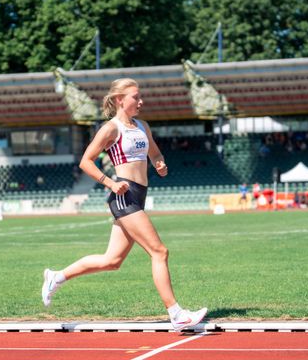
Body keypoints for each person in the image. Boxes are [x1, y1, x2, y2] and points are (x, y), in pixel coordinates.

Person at [41, 78, 207, 331]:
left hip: (138, 194)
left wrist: (159, 163)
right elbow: (86, 161)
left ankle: (57, 277)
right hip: (124, 195)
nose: (141, 101)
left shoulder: (143, 126)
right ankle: (177, 314)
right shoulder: (111, 128)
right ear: (120, 99)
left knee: (112, 260)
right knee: (159, 251)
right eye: (135, 97)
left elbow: (155, 153)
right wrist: (110, 183)